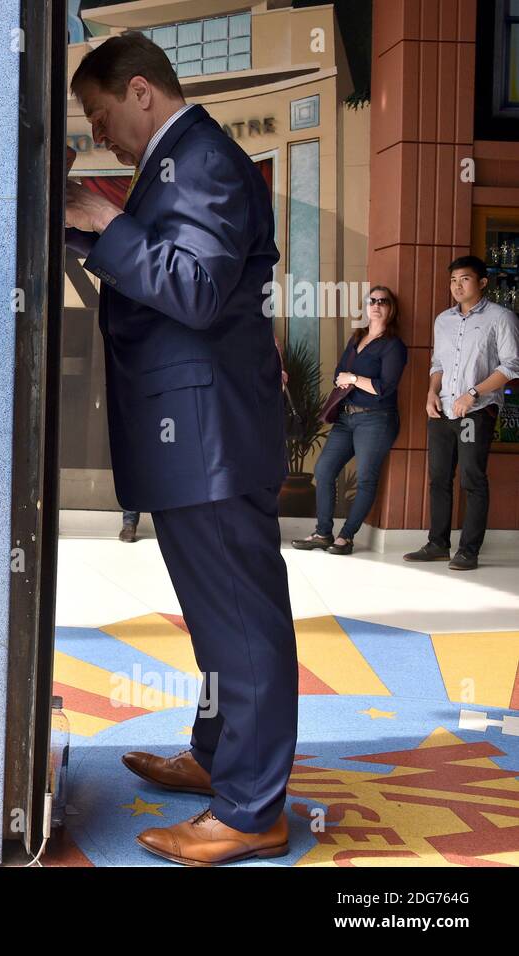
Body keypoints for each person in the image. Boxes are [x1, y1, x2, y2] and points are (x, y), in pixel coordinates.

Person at [64, 33, 293, 865]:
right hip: (197, 434)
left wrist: (108, 222)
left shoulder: (199, 159)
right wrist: (98, 231)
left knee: (242, 622)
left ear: (140, 92)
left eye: (101, 117)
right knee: (214, 622)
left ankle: (252, 807)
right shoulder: (180, 161)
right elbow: (170, 269)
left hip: (212, 434)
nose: (102, 137)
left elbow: (194, 289)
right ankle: (220, 759)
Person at [403, 256, 519, 570]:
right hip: (441, 410)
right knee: (438, 477)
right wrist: (430, 393)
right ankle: (437, 544)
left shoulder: (501, 317)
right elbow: (438, 364)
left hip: (476, 411)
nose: (457, 285)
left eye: (464, 279)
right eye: (453, 280)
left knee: (472, 478)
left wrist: (473, 393)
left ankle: (469, 550)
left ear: (482, 282)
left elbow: (510, 366)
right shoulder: (444, 320)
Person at [293, 286, 408, 555]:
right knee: (323, 470)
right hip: (346, 418)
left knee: (367, 479)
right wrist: (346, 378)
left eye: (383, 301)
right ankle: (323, 533)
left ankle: (346, 537)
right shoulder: (357, 338)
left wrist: (354, 379)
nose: (376, 305)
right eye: (372, 300)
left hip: (376, 420)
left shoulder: (393, 345)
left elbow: (384, 388)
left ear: (391, 308)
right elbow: (338, 373)